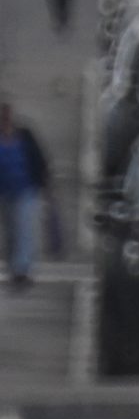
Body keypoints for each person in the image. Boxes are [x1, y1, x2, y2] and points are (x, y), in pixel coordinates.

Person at [0, 104, 55, 289]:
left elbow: (38, 158)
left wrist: (46, 184)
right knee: (11, 231)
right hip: (5, 192)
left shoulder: (25, 135)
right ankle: (14, 268)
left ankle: (22, 270)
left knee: (24, 229)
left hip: (26, 189)